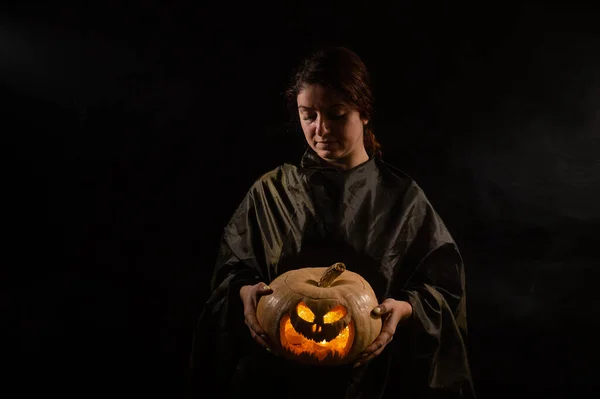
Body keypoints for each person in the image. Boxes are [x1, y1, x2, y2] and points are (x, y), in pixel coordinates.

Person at [186, 46, 475, 399]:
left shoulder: (403, 200)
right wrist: (243, 292)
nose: (320, 129)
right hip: (277, 382)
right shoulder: (272, 192)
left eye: (336, 115)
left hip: (374, 383)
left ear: (364, 113)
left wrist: (407, 308)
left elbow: (443, 290)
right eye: (308, 115)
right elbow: (232, 272)